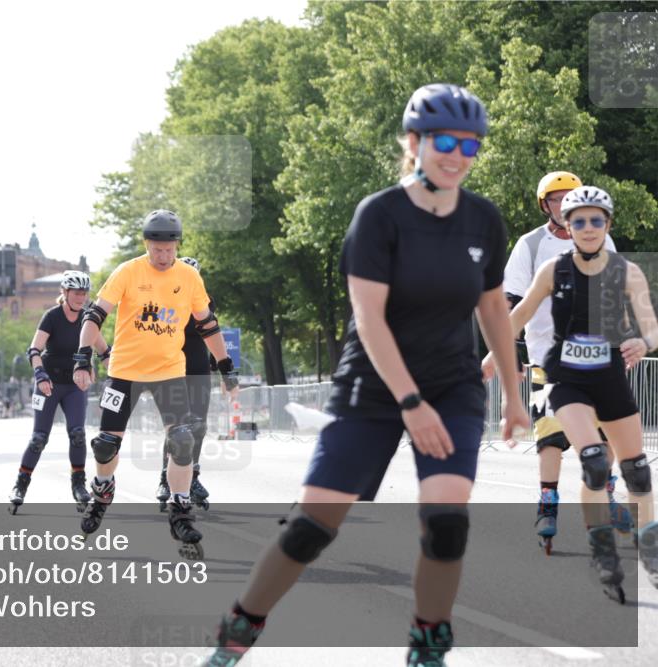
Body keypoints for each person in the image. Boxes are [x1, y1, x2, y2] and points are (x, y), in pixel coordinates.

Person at [204, 84, 528, 667]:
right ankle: (237, 633)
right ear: (414, 142)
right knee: (311, 528)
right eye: (445, 142)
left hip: (451, 385)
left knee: (447, 524)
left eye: (470, 145)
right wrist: (410, 402)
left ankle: (428, 647)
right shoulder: (380, 215)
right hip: (373, 387)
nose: (458, 156)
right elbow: (370, 319)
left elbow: (492, 309)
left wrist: (512, 391)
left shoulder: (483, 219)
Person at [493, 185, 658, 599]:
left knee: (637, 471)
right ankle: (603, 551)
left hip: (609, 376)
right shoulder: (553, 269)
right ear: (567, 227)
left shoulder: (627, 272)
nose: (587, 227)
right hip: (565, 378)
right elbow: (520, 313)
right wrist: (493, 354)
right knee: (594, 462)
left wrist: (643, 343)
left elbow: (650, 326)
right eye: (578, 221)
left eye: (596, 220)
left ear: (608, 225)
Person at [73, 210, 240, 559]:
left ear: (177, 245)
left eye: (169, 249)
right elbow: (95, 315)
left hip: (168, 371)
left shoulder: (189, 276)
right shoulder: (128, 271)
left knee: (182, 439)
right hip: (125, 372)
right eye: (157, 249)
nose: (163, 256)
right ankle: (103, 488)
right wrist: (83, 358)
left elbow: (208, 325)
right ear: (146, 244)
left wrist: (226, 368)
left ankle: (180, 511)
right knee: (105, 447)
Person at [483, 171, 628, 554]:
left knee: (605, 433)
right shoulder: (531, 245)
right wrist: (498, 353)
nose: (564, 205)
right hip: (546, 356)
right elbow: (514, 304)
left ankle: (607, 493)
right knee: (550, 436)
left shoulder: (601, 238)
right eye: (556, 199)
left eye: (570, 198)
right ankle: (547, 505)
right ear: (544, 205)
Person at [9, 271, 110, 514]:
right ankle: (20, 486)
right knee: (39, 438)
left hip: (75, 385)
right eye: (76, 293)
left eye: (84, 293)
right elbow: (34, 350)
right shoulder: (52, 316)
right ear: (64, 293)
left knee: (78, 434)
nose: (81, 298)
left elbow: (104, 352)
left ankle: (79, 486)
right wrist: (40, 375)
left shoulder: (88, 317)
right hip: (49, 383)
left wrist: (117, 376)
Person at [154, 257, 216, 511]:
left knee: (198, 426)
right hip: (171, 369)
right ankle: (165, 479)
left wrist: (219, 360)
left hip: (199, 368)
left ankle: (193, 477)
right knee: (177, 428)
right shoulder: (163, 298)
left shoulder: (206, 300)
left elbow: (212, 331)